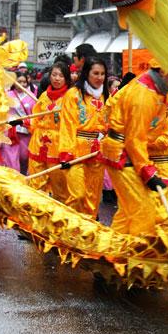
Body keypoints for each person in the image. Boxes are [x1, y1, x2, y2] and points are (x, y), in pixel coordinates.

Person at [99, 62, 168, 235]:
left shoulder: (153, 89)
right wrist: (148, 171)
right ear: (165, 70)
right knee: (144, 210)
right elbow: (135, 138)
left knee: (128, 210)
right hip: (123, 153)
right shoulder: (145, 94)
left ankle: (113, 252)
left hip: (125, 151)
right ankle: (137, 258)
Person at [58, 57, 109, 218]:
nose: (99, 77)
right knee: (77, 195)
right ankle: (66, 230)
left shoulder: (107, 97)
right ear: (86, 73)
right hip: (76, 151)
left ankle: (88, 235)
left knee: (92, 198)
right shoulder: (73, 95)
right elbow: (67, 124)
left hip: (97, 152)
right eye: (95, 73)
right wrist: (66, 152)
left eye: (102, 74)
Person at [27, 62, 72, 201]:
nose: (57, 78)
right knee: (35, 184)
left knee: (60, 187)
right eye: (54, 75)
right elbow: (35, 118)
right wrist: (27, 122)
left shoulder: (70, 98)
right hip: (39, 143)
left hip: (58, 146)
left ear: (66, 78)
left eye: (61, 76)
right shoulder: (44, 96)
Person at [0, 72, 36, 173]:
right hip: (11, 132)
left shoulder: (31, 96)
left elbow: (34, 114)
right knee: (11, 159)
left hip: (25, 131)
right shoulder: (7, 95)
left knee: (25, 157)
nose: (22, 84)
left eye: (24, 82)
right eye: (19, 81)